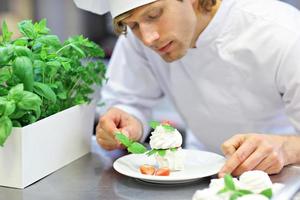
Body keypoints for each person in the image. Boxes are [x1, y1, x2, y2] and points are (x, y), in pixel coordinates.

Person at [74, 0, 300, 177]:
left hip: (283, 175)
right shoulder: (141, 39)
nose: (148, 38)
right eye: (132, 25)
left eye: (154, 15)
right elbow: (128, 101)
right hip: (197, 170)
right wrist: (127, 123)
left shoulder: (282, 34)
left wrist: (287, 149)